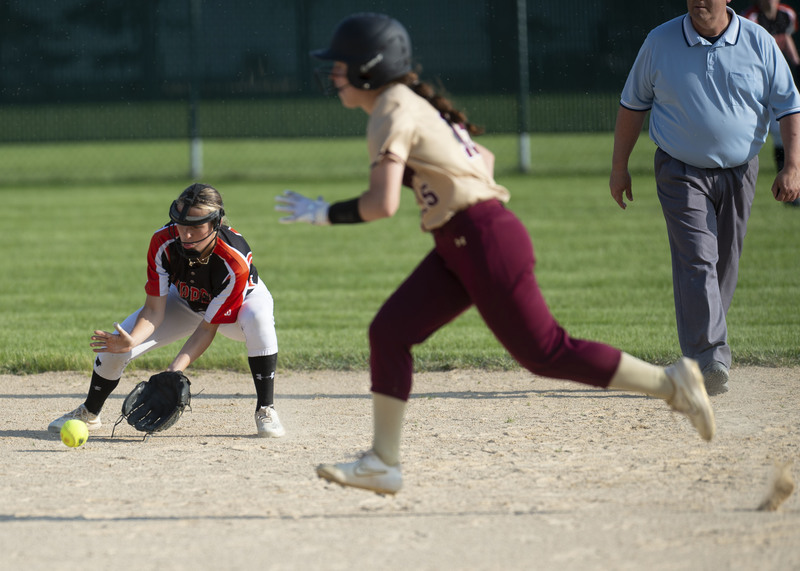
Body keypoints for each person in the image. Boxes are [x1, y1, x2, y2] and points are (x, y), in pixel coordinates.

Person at [275, 12, 715, 495]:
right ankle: (382, 462)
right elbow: (482, 159)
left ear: (368, 69)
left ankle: (671, 383)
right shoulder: (407, 103)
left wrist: (322, 213)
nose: (334, 75)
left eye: (341, 66)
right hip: (464, 240)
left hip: (482, 239)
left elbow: (383, 204)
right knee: (389, 331)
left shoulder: (389, 110)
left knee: (546, 352)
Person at [609, 0, 800, 397]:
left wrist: (793, 166)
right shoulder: (660, 41)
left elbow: (788, 105)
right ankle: (710, 358)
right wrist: (619, 167)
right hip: (679, 170)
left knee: (724, 264)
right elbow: (632, 105)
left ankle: (700, 355)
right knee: (697, 258)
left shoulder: (759, 41)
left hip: (740, 170)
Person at [49, 183, 285, 438]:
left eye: (196, 226)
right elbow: (153, 310)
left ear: (215, 223)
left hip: (238, 309)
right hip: (184, 301)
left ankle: (266, 408)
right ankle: (89, 413)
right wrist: (131, 341)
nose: (186, 234)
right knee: (113, 349)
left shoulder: (233, 260)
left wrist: (174, 371)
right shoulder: (163, 241)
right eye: (181, 224)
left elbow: (207, 329)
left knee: (258, 317)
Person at [743, 0, 800, 206]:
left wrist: (796, 63)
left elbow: (787, 37)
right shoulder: (751, 17)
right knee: (775, 135)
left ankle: (790, 185)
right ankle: (787, 187)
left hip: (781, 82)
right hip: (760, 84)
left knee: (785, 133)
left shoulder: (787, 14)